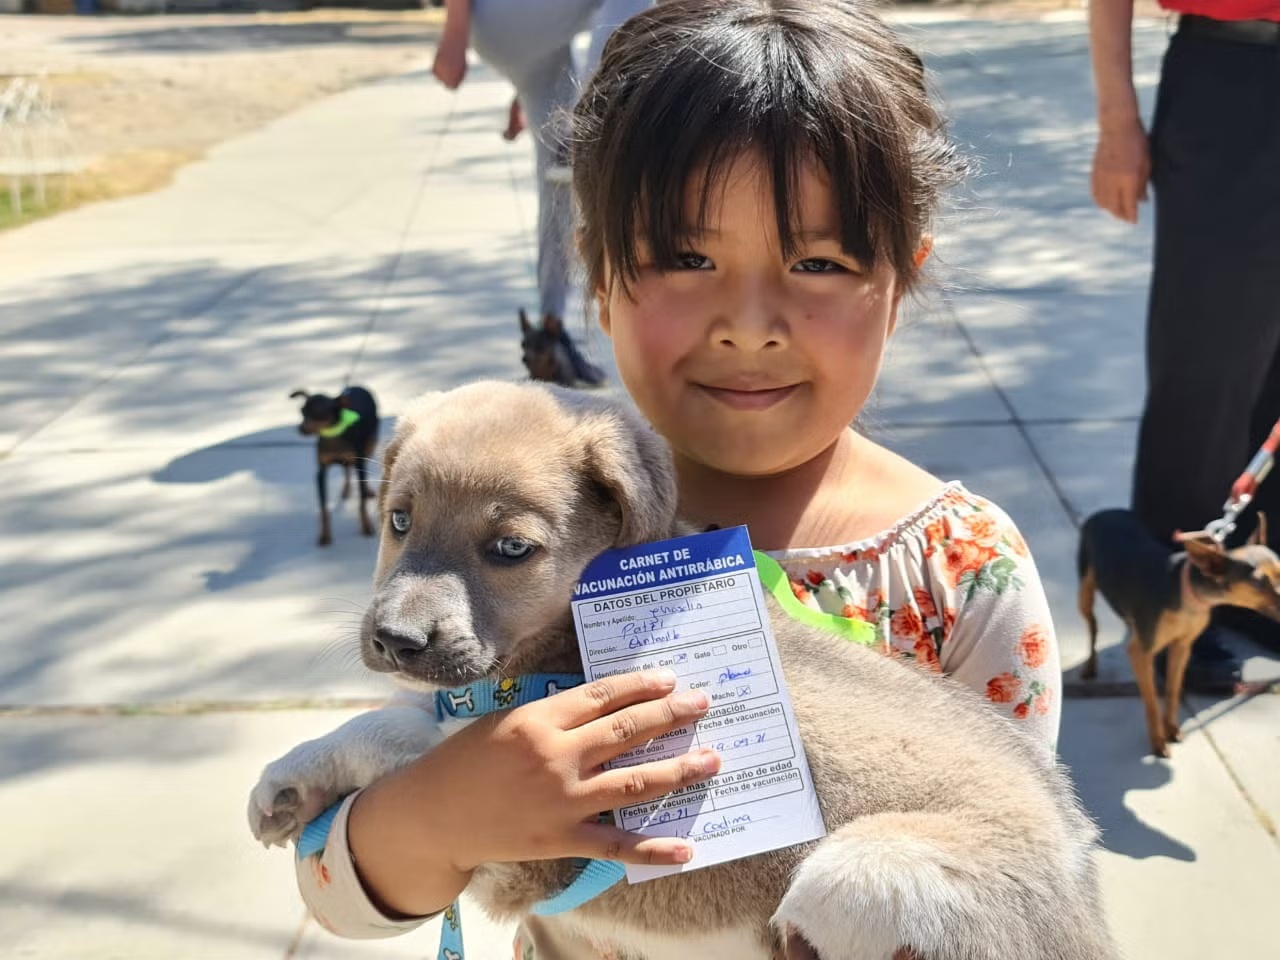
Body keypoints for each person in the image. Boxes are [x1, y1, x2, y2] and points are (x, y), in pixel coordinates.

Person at [294, 2, 1062, 956]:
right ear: (599, 272)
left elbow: (1020, 871)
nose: (749, 322)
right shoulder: (531, 528)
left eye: (818, 261)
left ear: (900, 279)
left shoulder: (961, 568)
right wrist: (443, 813)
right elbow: (334, 888)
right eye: (688, 257)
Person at [1088, 0, 1280, 691]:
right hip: (1235, 79)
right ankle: (1172, 611)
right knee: (1208, 365)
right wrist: (1118, 125)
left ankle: (1260, 595)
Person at [431, 0, 655, 386]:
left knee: (559, 184)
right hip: (500, 19)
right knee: (573, 151)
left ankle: (550, 328)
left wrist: (526, 90)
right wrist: (454, 31)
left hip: (528, 40)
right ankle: (589, 117)